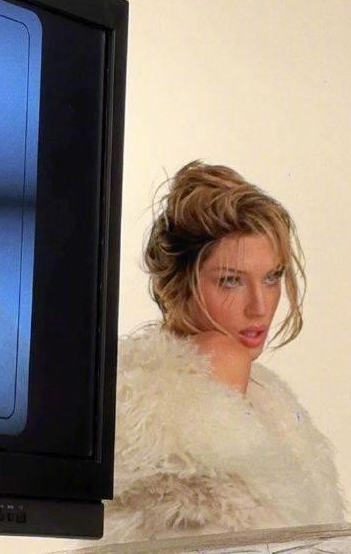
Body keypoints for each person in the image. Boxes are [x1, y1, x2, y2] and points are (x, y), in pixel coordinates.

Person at [104, 161, 346, 542]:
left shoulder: (257, 390)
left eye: (272, 277)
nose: (260, 306)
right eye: (231, 281)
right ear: (178, 284)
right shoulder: (222, 358)